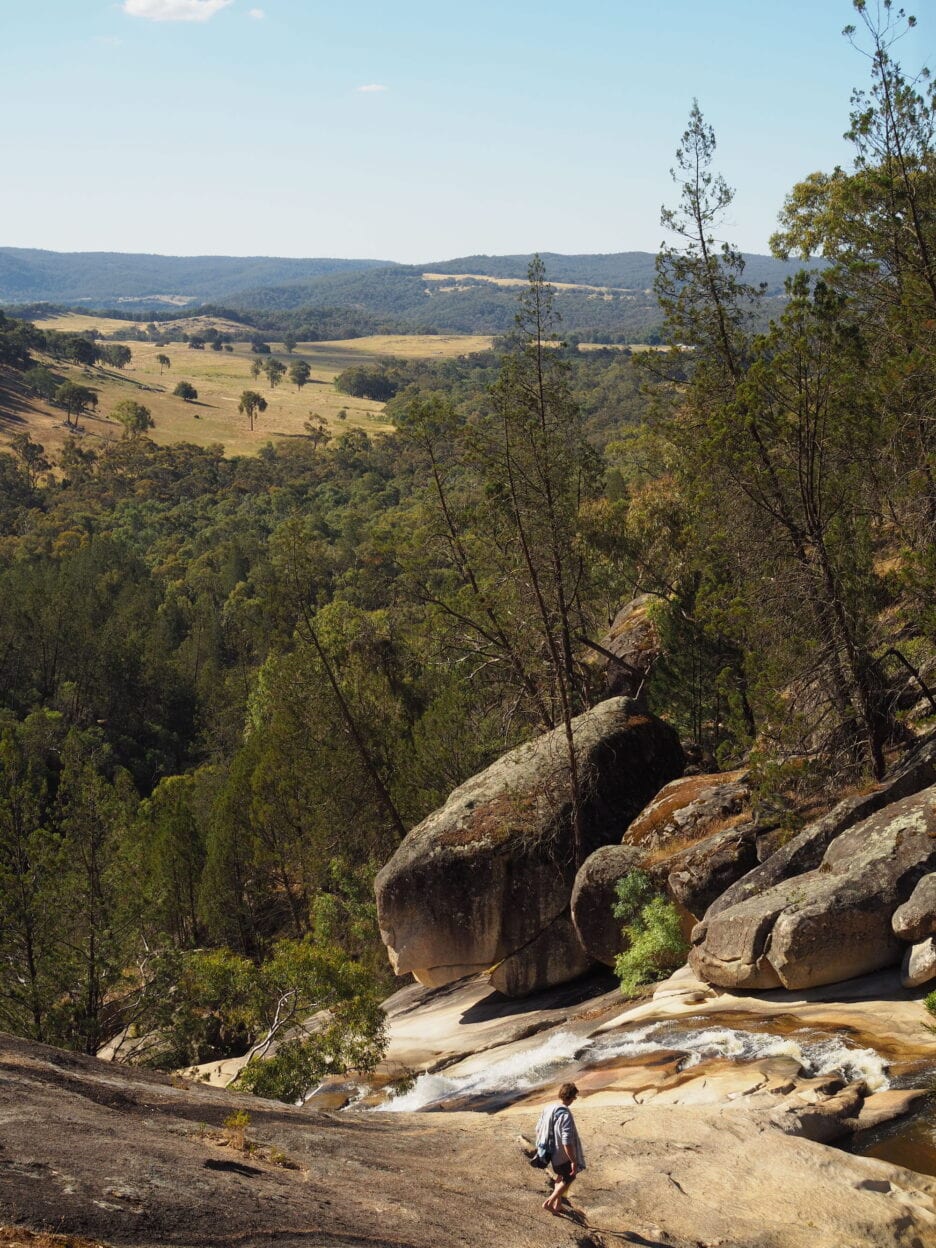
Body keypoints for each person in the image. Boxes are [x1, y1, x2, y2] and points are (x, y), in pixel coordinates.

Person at [537, 1081, 585, 1215]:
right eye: (574, 1097)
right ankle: (549, 1202)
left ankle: (558, 1204)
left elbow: (538, 1129)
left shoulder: (548, 1108)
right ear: (570, 1097)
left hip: (550, 1152)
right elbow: (566, 1141)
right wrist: (574, 1161)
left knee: (560, 1176)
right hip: (562, 1154)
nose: (574, 1100)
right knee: (569, 1177)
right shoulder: (565, 1114)